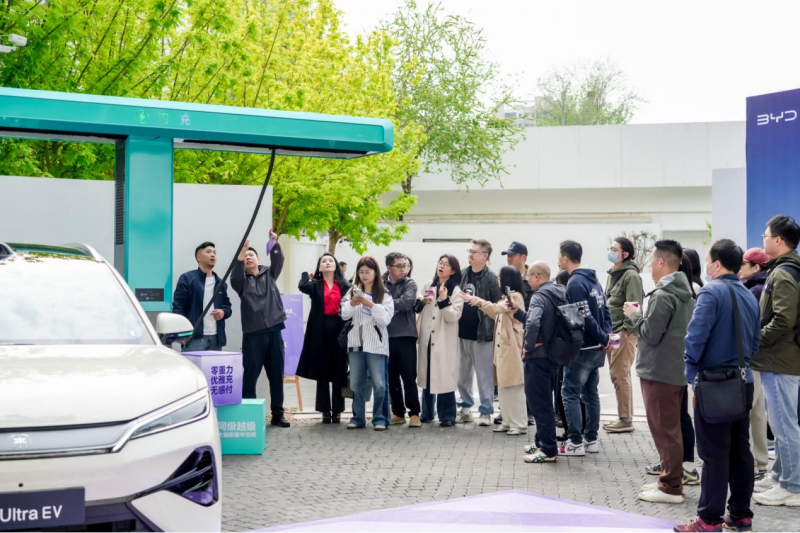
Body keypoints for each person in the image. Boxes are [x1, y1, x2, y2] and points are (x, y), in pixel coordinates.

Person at [674, 239, 760, 533]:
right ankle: (741, 515)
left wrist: (691, 373)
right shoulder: (749, 294)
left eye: (709, 260)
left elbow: (695, 337)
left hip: (714, 384)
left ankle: (709, 520)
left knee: (713, 453)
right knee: (740, 450)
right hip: (744, 381)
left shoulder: (710, 292)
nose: (707, 266)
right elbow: (755, 341)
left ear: (718, 264)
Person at [624, 240, 694, 504]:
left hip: (659, 371)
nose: (650, 266)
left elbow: (650, 334)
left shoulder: (664, 294)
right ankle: (669, 478)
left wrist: (634, 314)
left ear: (662, 262)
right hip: (672, 369)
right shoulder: (684, 291)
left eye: (652, 261)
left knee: (665, 431)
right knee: (670, 429)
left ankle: (670, 487)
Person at [752, 215, 800, 507]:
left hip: (780, 360)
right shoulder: (785, 269)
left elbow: (783, 320)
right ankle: (782, 476)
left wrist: (755, 340)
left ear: (778, 240)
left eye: (765, 235)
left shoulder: (783, 273)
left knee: (784, 425)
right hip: (781, 359)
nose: (764, 239)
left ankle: (792, 486)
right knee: (782, 423)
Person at [557, 240, 612, 456]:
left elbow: (583, 316)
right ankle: (591, 439)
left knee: (570, 392)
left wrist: (603, 337)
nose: (558, 260)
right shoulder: (593, 280)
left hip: (583, 348)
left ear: (565, 258)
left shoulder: (575, 283)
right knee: (590, 393)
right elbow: (605, 310)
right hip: (597, 347)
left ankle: (575, 442)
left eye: (559, 256)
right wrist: (605, 336)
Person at [231, 234, 290, 428]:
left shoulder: (270, 274)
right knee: (250, 377)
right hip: (253, 335)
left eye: (251, 255)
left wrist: (273, 243)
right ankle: (251, 415)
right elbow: (235, 276)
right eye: (245, 256)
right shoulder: (241, 282)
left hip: (274, 331)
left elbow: (278, 259)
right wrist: (240, 254)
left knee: (276, 376)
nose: (248, 257)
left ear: (258, 259)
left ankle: (278, 414)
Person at [461, 266, 527, 435]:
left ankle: (519, 424)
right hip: (503, 348)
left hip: (511, 348)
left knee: (514, 387)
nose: (498, 280)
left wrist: (476, 300)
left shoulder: (514, 297)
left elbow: (496, 309)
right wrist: (480, 303)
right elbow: (495, 312)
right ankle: (507, 421)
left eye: (500, 277)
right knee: (504, 386)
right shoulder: (506, 297)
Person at [341, 256, 394, 431]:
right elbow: (344, 315)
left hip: (377, 345)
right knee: (356, 383)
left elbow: (385, 319)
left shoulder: (384, 293)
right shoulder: (352, 291)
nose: (364, 275)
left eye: (367, 272)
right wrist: (351, 303)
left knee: (379, 383)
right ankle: (358, 418)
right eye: (361, 272)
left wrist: (371, 305)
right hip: (355, 343)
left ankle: (380, 418)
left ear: (375, 273)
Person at [518, 261, 564, 463]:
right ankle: (541, 441)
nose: (527, 279)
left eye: (529, 275)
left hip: (537, 357)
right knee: (545, 400)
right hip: (554, 354)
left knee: (539, 403)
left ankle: (548, 450)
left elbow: (533, 321)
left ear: (537, 276)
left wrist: (528, 345)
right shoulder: (560, 292)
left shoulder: (538, 296)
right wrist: (517, 312)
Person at [296, 253, 349, 424]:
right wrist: (306, 275)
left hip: (339, 331)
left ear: (336, 266)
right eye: (323, 261)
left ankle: (338, 410)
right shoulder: (315, 285)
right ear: (319, 267)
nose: (327, 263)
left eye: (330, 261)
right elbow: (302, 286)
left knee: (339, 370)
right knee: (323, 371)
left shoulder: (344, 285)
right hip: (320, 330)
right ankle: (325, 410)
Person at [457, 239, 503, 426]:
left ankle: (485, 412)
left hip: (483, 335)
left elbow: (498, 307)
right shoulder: (462, 274)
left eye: (474, 252)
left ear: (485, 256)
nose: (470, 254)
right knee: (462, 376)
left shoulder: (492, 278)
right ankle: (465, 408)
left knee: (484, 376)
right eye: (469, 251)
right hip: (461, 333)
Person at [417, 254, 464, 427]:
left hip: (444, 338)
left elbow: (453, 316)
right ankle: (427, 412)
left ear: (453, 271)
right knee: (428, 374)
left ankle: (447, 415)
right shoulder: (429, 285)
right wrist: (422, 301)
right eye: (440, 263)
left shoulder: (456, 291)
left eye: (446, 264)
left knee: (444, 375)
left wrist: (444, 300)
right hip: (428, 336)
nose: (441, 266)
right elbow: (419, 308)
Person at [603, 236, 643, 433]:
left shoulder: (631, 276)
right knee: (618, 374)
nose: (610, 252)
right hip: (614, 330)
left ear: (625, 254)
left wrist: (625, 331)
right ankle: (624, 416)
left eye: (614, 249)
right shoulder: (613, 274)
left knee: (620, 374)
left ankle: (625, 419)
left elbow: (634, 305)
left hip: (624, 331)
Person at [739, 247, 771, 481]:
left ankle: (753, 463)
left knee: (750, 412)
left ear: (755, 267)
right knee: (758, 412)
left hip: (753, 358)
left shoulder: (754, 291)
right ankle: (760, 463)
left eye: (743, 264)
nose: (740, 268)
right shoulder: (762, 287)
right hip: (761, 358)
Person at [383, 252, 421, 427]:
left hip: (406, 335)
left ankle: (414, 413)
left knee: (409, 376)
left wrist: (385, 304)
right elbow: (375, 300)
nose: (403, 269)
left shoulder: (410, 283)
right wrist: (393, 302)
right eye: (399, 266)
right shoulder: (380, 283)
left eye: (406, 266)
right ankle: (398, 412)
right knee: (391, 377)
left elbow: (406, 303)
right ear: (389, 267)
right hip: (385, 335)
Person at [173, 241, 232, 351]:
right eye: (208, 252)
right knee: (191, 363)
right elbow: (178, 307)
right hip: (193, 338)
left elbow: (227, 306)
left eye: (214, 252)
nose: (213, 255)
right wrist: (180, 332)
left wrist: (223, 312)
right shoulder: (187, 279)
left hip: (216, 338)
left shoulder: (220, 283)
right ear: (199, 257)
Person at [502, 241, 532, 307]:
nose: (508, 258)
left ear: (523, 257)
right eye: (508, 255)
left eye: (512, 255)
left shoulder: (533, 278)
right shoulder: (503, 278)